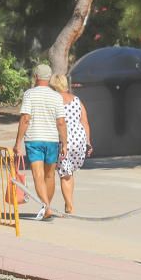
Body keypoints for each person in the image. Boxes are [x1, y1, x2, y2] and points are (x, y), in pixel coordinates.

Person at [14, 63, 67, 220]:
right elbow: (61, 122)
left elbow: (25, 119)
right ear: (49, 78)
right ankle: (47, 207)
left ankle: (46, 207)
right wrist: (65, 143)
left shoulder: (29, 94)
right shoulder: (57, 96)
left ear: (36, 77)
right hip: (51, 140)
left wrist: (18, 143)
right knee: (49, 176)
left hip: (34, 140)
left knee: (38, 175)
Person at [48, 73, 92, 215]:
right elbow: (84, 121)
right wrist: (88, 142)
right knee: (68, 172)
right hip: (79, 139)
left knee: (64, 174)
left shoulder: (54, 100)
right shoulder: (76, 100)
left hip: (65, 139)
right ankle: (69, 204)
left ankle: (69, 206)